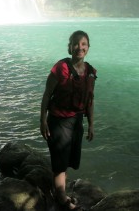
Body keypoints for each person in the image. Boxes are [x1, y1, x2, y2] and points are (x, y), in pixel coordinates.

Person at [40, 30, 97, 210]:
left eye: (83, 44)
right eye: (76, 44)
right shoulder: (61, 68)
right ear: (69, 47)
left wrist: (91, 124)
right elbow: (47, 94)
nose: (79, 48)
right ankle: (62, 199)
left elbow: (90, 99)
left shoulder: (89, 72)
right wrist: (43, 120)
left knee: (69, 159)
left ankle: (59, 190)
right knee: (60, 162)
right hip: (58, 120)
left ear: (88, 48)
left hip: (77, 120)